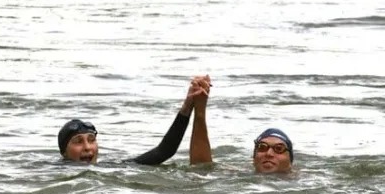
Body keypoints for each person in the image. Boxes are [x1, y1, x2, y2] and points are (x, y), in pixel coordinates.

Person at [57, 75, 212, 165]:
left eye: (91, 140)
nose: (87, 147)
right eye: (78, 141)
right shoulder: (49, 171)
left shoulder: (112, 168)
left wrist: (188, 105)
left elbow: (164, 151)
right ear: (64, 153)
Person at [187, 80, 294, 174]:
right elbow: (201, 168)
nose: (269, 153)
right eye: (262, 147)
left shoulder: (304, 179)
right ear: (253, 159)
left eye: (279, 149)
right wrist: (200, 109)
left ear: (290, 162)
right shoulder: (240, 175)